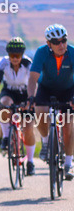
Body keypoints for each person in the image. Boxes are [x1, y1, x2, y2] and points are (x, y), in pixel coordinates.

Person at [28, 24, 74, 180]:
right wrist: (31, 96)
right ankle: (46, 142)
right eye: (56, 42)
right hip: (46, 89)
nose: (61, 45)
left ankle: (68, 163)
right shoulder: (42, 52)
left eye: (63, 40)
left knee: (68, 125)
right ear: (49, 44)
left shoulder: (72, 52)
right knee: (40, 112)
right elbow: (33, 78)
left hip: (68, 90)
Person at [0, 37, 36, 174]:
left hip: (25, 93)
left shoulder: (28, 64)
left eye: (17, 55)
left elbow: (34, 84)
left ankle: (30, 161)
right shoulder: (3, 63)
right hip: (9, 91)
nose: (15, 58)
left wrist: (30, 101)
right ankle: (6, 137)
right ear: (8, 55)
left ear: (22, 55)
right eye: (12, 55)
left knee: (28, 128)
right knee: (5, 104)